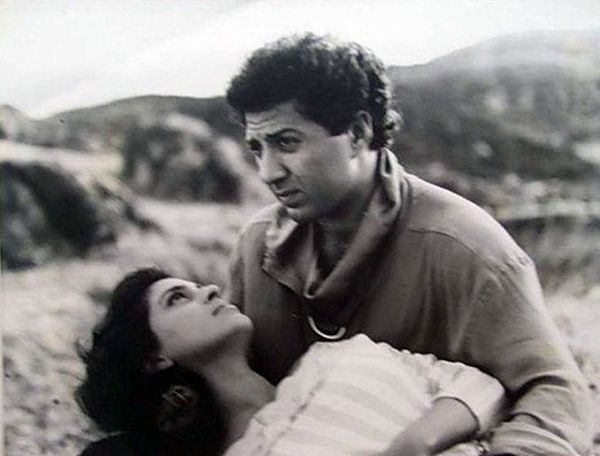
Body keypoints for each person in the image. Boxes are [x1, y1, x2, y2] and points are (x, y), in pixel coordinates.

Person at [224, 33, 592, 456]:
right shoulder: (256, 245)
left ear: (358, 132)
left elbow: (556, 393)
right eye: (257, 148)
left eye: (287, 142)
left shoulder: (468, 250)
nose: (268, 172)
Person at [77, 267, 507, 456]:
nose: (209, 290)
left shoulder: (337, 355)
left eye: (196, 285)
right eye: (177, 299)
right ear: (153, 359)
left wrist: (415, 444)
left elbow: (481, 386)